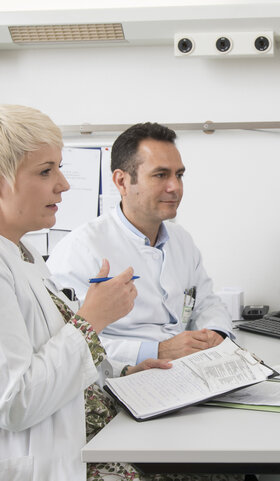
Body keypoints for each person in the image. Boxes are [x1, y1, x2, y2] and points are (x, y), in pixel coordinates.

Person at [0, 105, 173, 481]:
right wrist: (91, 319)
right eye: (46, 171)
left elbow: (57, 357)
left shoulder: (23, 252)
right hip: (58, 461)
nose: (62, 184)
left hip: (98, 433)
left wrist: (123, 375)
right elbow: (15, 401)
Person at [48, 122, 233, 366]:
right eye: (160, 175)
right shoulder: (80, 249)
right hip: (127, 376)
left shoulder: (181, 240)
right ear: (122, 182)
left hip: (192, 366)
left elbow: (207, 302)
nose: (175, 187)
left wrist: (216, 334)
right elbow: (67, 344)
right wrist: (156, 350)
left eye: (179, 175)